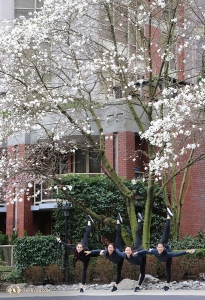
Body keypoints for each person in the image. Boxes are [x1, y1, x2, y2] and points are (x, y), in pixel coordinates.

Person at [136, 208, 195, 292]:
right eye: (158, 247)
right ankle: (168, 216)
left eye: (160, 247)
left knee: (165, 235)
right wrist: (137, 252)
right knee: (163, 242)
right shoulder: (154, 251)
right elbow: (145, 251)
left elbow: (177, 254)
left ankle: (168, 216)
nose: (159, 249)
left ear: (162, 248)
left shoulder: (168, 254)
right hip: (164, 247)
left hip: (167, 250)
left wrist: (187, 251)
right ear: (157, 248)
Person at [56, 215, 97, 293]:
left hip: (87, 257)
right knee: (83, 272)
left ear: (82, 248)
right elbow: (67, 246)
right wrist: (60, 241)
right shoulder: (75, 249)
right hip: (84, 257)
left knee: (86, 235)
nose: (79, 249)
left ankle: (89, 221)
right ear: (77, 247)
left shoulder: (85, 251)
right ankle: (82, 287)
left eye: (80, 248)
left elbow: (95, 253)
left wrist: (102, 252)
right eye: (78, 247)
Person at [87, 213, 124, 292]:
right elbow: (98, 251)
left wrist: (127, 255)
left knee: (118, 235)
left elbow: (122, 254)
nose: (110, 249)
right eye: (109, 247)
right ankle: (116, 286)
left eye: (111, 248)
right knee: (98, 253)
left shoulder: (116, 251)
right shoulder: (106, 251)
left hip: (120, 255)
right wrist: (89, 252)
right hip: (115, 258)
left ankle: (118, 221)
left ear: (113, 249)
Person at [114, 212, 146, 292]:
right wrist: (112, 250)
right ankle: (139, 220)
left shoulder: (135, 255)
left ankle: (138, 286)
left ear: (131, 251)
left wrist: (139, 252)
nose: (127, 251)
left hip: (141, 257)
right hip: (137, 251)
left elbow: (143, 251)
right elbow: (117, 251)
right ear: (125, 251)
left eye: (129, 250)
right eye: (126, 250)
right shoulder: (123, 255)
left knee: (137, 234)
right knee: (137, 235)